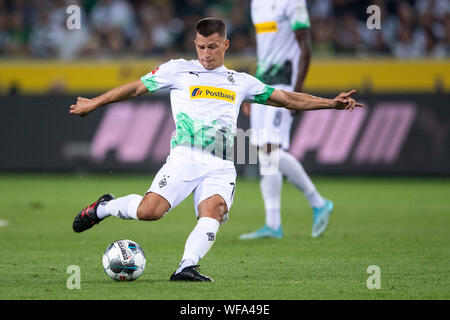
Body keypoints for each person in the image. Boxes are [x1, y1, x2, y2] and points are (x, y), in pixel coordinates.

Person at [69, 17, 363, 282]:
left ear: (225, 44)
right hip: (185, 157)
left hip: (221, 163)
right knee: (150, 212)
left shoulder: (241, 81)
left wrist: (330, 103)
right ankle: (104, 207)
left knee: (214, 210)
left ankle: (186, 266)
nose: (206, 54)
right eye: (200, 47)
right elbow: (135, 88)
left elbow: (287, 99)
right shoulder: (177, 70)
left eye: (212, 47)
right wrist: (93, 103)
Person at [239, 0, 331, 240]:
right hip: (264, 83)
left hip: (285, 82)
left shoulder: (293, 2)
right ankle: (273, 224)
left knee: (270, 150)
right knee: (263, 152)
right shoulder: (256, 4)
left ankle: (318, 202)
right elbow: (264, 51)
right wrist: (251, 89)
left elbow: (305, 46)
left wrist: (297, 90)